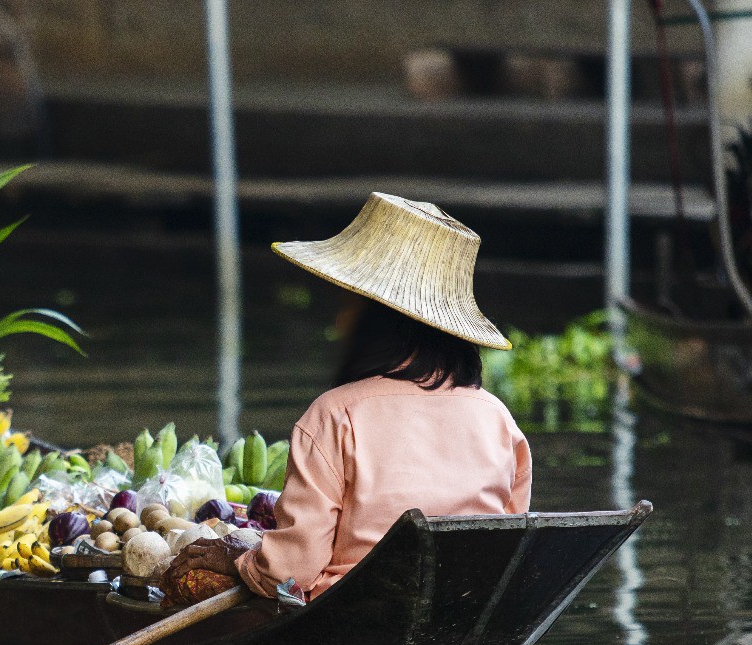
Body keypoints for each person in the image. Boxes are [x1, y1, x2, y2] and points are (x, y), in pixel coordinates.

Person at [167, 192, 531, 604]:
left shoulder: (334, 415)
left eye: (348, 305)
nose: (339, 321)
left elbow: (290, 574)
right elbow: (507, 544)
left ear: (374, 321)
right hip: (465, 608)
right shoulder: (498, 419)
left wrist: (241, 556)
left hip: (352, 612)